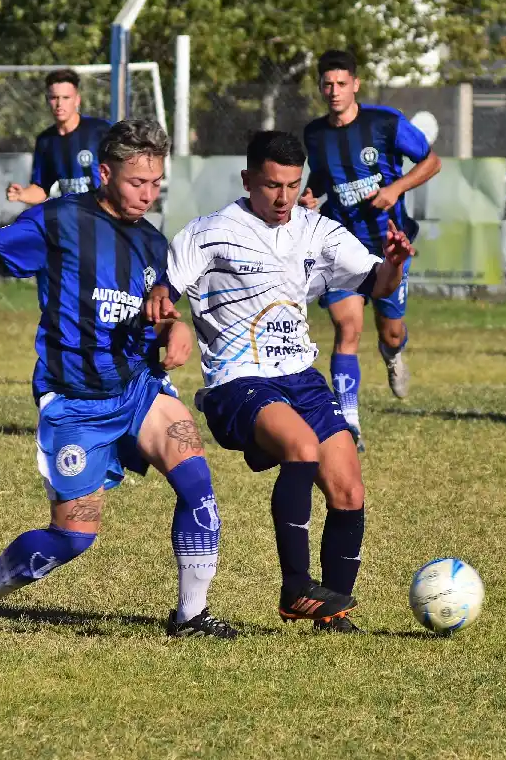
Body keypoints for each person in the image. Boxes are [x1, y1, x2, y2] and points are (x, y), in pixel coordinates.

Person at [0, 119, 236, 639]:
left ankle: (191, 616)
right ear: (105, 173)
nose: (147, 194)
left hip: (137, 388)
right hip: (77, 401)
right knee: (74, 537)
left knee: (198, 486)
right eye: (135, 182)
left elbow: (159, 307)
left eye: (155, 184)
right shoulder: (60, 221)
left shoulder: (151, 242)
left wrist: (175, 325)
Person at [146, 130, 414, 633]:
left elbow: (377, 283)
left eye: (292, 185)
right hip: (236, 380)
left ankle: (333, 610)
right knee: (301, 447)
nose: (283, 197)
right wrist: (167, 311)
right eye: (272, 185)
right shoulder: (211, 232)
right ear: (249, 180)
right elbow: (164, 287)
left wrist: (395, 266)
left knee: (349, 488)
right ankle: (295, 588)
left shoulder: (319, 232)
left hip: (301, 378)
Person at [299, 50, 441, 450]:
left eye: (341, 84)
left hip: (389, 245)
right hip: (341, 244)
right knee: (347, 328)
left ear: (355, 85)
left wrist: (395, 189)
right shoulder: (315, 133)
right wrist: (311, 198)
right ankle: (349, 424)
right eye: (327, 84)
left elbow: (431, 162)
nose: (334, 91)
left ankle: (393, 353)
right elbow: (322, 179)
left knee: (390, 330)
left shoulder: (385, 122)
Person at [6, 69, 111, 206]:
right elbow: (42, 187)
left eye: (66, 97)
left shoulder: (100, 130)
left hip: (104, 214)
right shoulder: (45, 141)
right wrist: (22, 194)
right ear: (47, 100)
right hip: (71, 216)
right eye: (54, 98)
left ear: (77, 100)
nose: (59, 104)